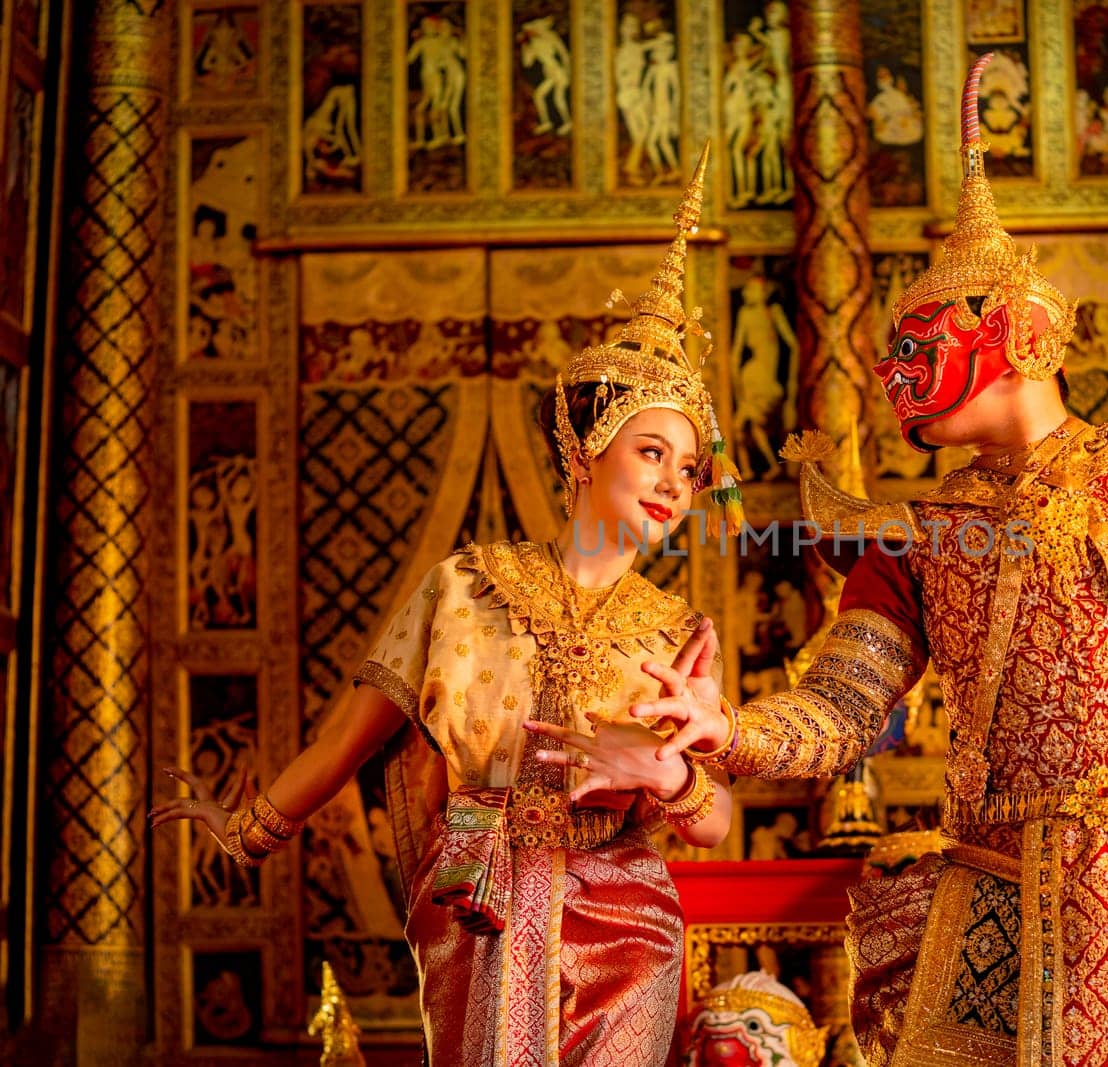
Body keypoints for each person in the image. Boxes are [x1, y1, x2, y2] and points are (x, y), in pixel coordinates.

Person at [639, 57, 1108, 1066]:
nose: (896, 368)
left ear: (1021, 331)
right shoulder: (915, 538)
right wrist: (724, 727)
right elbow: (835, 709)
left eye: (924, 336)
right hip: (1002, 913)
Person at [152, 150, 735, 1066]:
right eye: (653, 451)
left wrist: (676, 781)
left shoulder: (676, 630)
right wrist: (248, 826)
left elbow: (712, 818)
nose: (674, 483)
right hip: (482, 898)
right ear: (586, 447)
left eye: (690, 467)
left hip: (627, 917)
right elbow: (349, 736)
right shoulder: (465, 587)